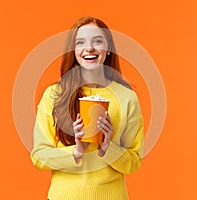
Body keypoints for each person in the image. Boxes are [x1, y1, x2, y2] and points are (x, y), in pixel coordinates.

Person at [30, 16, 144, 200]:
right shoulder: (54, 95)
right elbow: (39, 156)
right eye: (80, 42)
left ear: (108, 50)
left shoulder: (127, 98)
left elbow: (133, 162)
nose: (89, 48)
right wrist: (76, 151)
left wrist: (108, 147)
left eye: (97, 41)